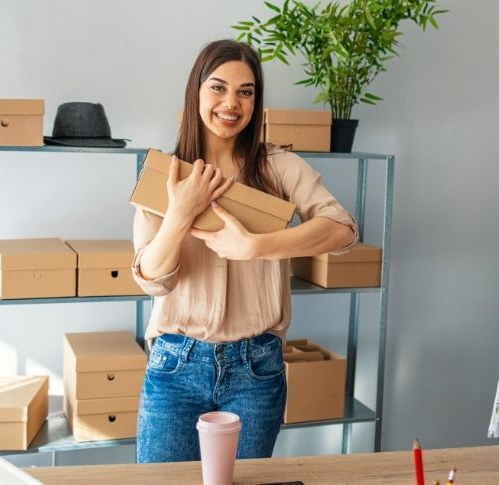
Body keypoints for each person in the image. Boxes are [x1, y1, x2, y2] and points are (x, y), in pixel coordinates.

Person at [132, 39, 358, 463]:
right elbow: (150, 278)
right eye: (218, 87)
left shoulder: (278, 167)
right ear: (196, 91)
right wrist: (180, 213)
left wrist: (258, 246)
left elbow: (343, 230)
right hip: (175, 366)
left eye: (246, 91)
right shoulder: (166, 174)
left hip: (256, 368)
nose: (231, 103)